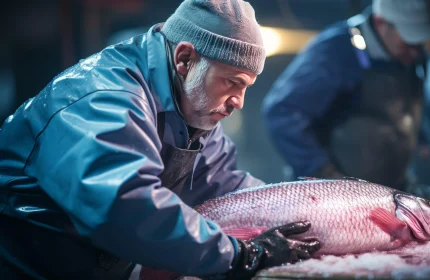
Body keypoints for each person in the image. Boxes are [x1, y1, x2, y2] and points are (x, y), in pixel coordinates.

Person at [0, 1, 320, 279]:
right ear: (184, 59)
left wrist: (310, 211)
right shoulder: (104, 99)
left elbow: (226, 185)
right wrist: (240, 254)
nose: (239, 101)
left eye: (246, 87)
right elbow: (125, 208)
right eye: (232, 82)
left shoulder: (192, 106)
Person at [262, 0, 430, 190]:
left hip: (390, 190)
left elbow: (400, 107)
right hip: (336, 201)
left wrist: (419, 137)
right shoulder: (336, 51)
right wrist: (323, 174)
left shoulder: (409, 55)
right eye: (409, 40)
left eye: (420, 41)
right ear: (381, 22)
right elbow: (282, 111)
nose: (415, 50)